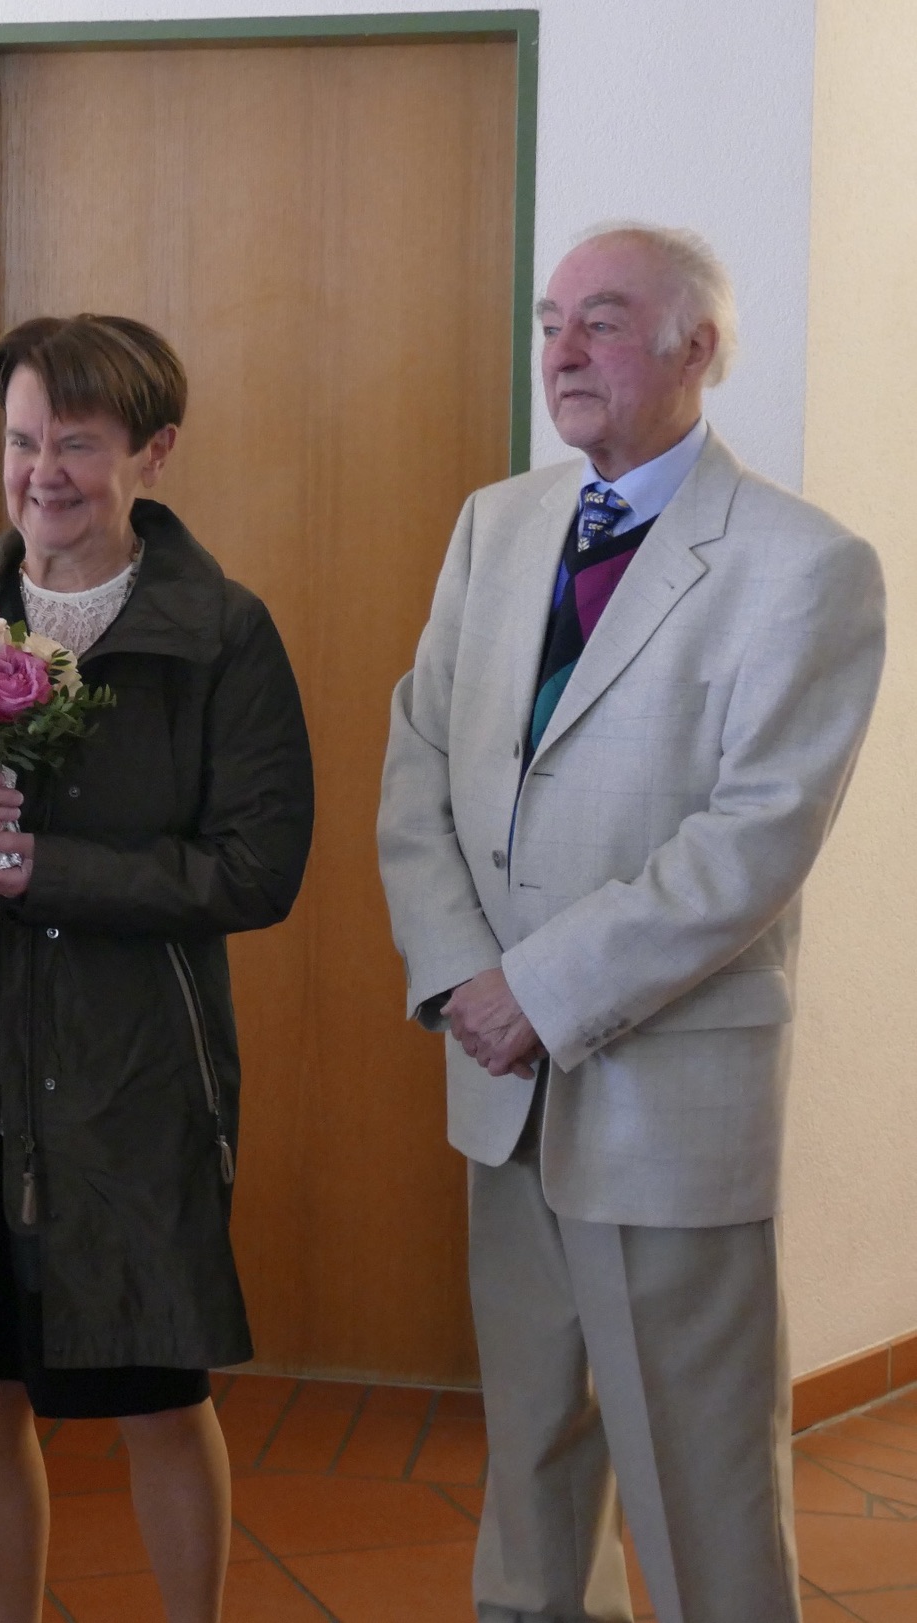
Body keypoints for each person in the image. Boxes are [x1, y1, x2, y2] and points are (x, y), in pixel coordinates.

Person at [376, 225, 885, 1623]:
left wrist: (536, 990)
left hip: (665, 1096)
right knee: (531, 1446)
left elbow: (751, 841)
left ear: (694, 347)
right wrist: (460, 974)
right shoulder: (494, 525)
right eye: (549, 321)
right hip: (499, 1084)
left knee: (697, 1471)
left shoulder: (804, 564)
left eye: (598, 321)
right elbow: (419, 756)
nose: (560, 350)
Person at [0, 314, 313, 1623]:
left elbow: (258, 870)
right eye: (23, 441)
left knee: (156, 1391)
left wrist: (55, 871)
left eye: (76, 444)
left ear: (154, 450)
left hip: (128, 1075)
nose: (41, 474)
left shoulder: (221, 634)